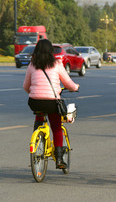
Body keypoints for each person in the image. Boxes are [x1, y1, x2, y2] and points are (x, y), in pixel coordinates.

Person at [23, 39, 79, 169]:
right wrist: (75, 87)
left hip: (34, 102)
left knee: (40, 115)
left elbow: (26, 86)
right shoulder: (57, 64)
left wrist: (35, 93)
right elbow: (68, 84)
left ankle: (37, 135)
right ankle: (59, 158)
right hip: (51, 102)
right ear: (51, 51)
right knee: (57, 127)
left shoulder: (32, 64)